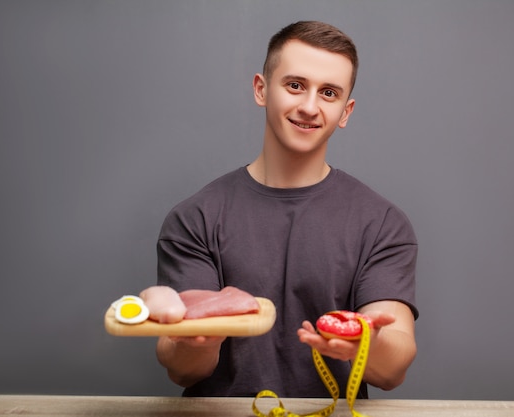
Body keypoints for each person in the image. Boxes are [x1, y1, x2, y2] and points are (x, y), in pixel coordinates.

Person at [155, 20, 418, 399]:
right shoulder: (195, 219)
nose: (309, 107)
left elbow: (393, 370)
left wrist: (367, 342)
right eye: (295, 85)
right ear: (262, 89)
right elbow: (182, 371)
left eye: (329, 93)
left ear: (346, 111)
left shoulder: (383, 224)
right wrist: (197, 339)